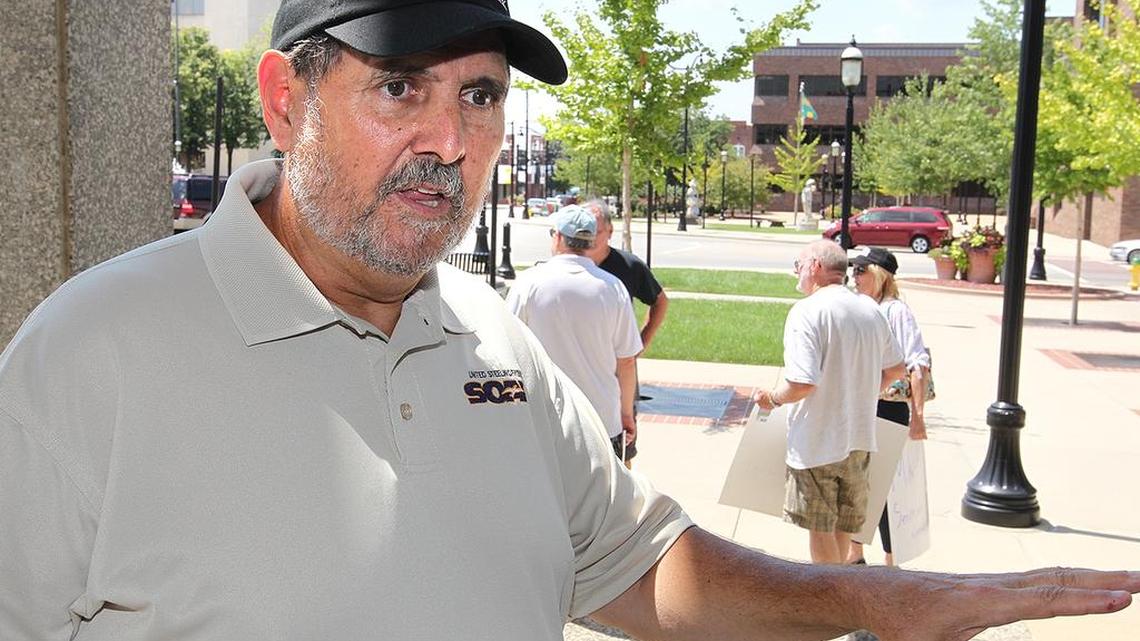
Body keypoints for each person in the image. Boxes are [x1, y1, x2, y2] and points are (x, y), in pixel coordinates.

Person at [0, 2, 1136, 640]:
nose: (452, 141)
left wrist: (866, 597)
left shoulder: (495, 340)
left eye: (482, 94)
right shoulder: (86, 353)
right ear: (285, 99)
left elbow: (640, 569)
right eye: (402, 86)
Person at [755, 240, 907, 565]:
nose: (796, 273)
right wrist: (865, 391)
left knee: (820, 532)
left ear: (816, 267)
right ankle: (839, 602)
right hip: (860, 441)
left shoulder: (807, 312)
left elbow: (801, 383)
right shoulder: (870, 310)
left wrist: (771, 398)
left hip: (817, 442)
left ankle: (828, 608)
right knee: (842, 529)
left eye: (798, 265)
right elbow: (896, 369)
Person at [506, 205, 642, 464]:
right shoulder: (613, 288)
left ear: (557, 237)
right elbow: (626, 361)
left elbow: (508, 349)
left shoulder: (529, 283)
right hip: (602, 419)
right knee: (604, 502)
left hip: (545, 419)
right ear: (589, 242)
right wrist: (626, 414)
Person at [845, 247, 930, 567]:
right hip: (865, 407)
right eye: (854, 270)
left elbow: (917, 365)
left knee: (884, 488)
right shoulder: (863, 308)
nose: (855, 276)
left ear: (880, 274)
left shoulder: (896, 311)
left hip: (889, 410)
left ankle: (891, 561)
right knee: (861, 482)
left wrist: (918, 418)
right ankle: (855, 553)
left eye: (861, 271)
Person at [584, 198, 670, 468]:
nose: (590, 238)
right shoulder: (570, 265)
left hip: (619, 368)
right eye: (584, 231)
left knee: (623, 445)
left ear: (610, 231)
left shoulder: (629, 266)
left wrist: (642, 340)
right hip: (580, 363)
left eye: (596, 231)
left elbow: (660, 301)